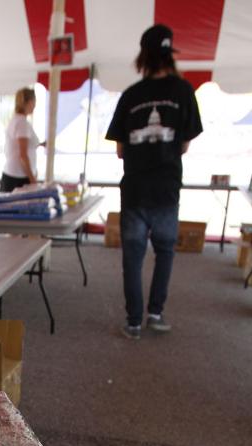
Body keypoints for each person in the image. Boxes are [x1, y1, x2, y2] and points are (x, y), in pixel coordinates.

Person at [105, 24, 203, 339]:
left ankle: (133, 322)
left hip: (134, 189)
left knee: (133, 258)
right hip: (166, 189)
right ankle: (155, 313)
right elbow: (186, 143)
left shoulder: (131, 95)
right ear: (170, 54)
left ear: (143, 57)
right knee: (165, 252)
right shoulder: (184, 91)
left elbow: (120, 150)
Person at [1, 87, 43, 192]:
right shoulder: (22, 123)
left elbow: (21, 147)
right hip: (18, 178)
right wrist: (32, 179)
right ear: (29, 102)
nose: (35, 106)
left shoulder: (17, 120)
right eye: (34, 102)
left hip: (13, 175)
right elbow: (23, 155)